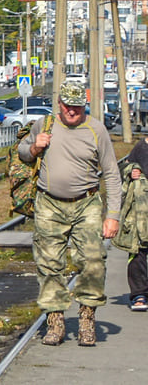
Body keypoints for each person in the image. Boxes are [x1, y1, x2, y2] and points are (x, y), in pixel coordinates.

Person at [18, 80, 121, 346]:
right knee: (49, 264)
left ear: (83, 104)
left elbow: (111, 173)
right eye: (67, 106)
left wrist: (113, 215)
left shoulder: (97, 129)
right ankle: (55, 321)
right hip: (49, 204)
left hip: (86, 203)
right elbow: (22, 153)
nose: (72, 111)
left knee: (93, 260)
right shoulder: (45, 125)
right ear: (59, 104)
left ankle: (87, 318)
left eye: (77, 106)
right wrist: (34, 147)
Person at [119, 137, 148, 312]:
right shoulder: (140, 147)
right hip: (140, 209)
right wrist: (132, 171)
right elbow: (124, 166)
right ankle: (139, 294)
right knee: (138, 252)